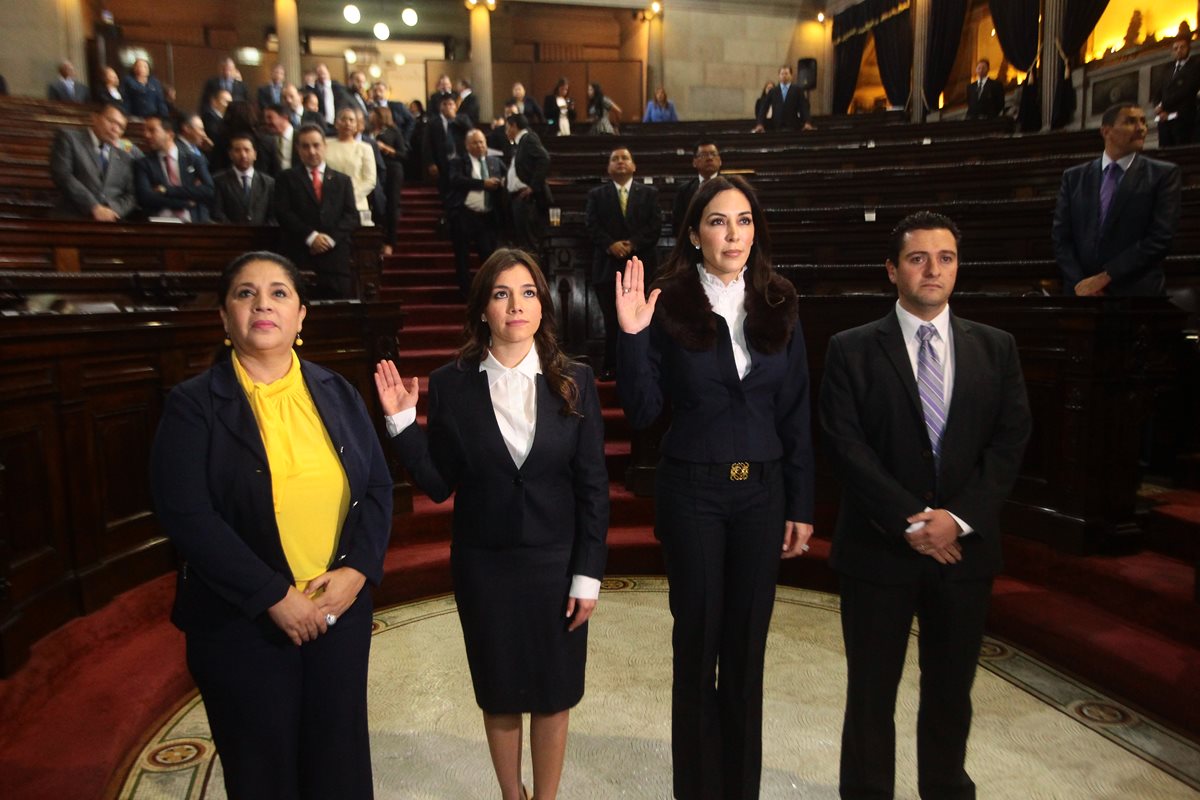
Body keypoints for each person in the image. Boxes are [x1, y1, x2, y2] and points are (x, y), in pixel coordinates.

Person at [150, 250, 392, 800]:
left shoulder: (338, 392)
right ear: (224, 317)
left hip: (338, 614)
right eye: (245, 293)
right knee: (265, 775)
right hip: (243, 625)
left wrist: (357, 571)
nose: (263, 303)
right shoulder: (193, 405)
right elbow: (187, 516)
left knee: (340, 767)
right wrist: (273, 596)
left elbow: (378, 488)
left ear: (301, 315)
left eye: (279, 293)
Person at [374, 248, 608, 800]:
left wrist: (588, 575)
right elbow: (438, 483)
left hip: (557, 562)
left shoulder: (575, 380)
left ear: (543, 305)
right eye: (501, 294)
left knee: (554, 692)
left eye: (527, 292)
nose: (516, 304)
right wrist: (402, 424)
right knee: (500, 691)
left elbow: (593, 487)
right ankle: (511, 794)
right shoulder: (452, 384)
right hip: (485, 566)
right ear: (483, 309)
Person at [616, 174, 815, 800]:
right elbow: (644, 410)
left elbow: (796, 409)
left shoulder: (780, 298)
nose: (735, 234)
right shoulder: (666, 298)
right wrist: (629, 336)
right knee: (697, 645)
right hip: (693, 492)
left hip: (763, 490)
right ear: (695, 232)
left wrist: (801, 503)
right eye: (720, 221)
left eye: (746, 221)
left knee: (748, 649)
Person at [819, 211, 1031, 800]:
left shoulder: (996, 348)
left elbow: (1010, 442)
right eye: (918, 258)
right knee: (870, 694)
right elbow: (845, 445)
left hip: (963, 553)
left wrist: (955, 521)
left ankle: (944, 789)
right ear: (892, 270)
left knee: (950, 692)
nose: (933, 269)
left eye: (945, 258)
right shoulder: (851, 349)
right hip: (878, 550)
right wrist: (911, 520)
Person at [1051, 102, 1181, 297]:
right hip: (1082, 296)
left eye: (1143, 122)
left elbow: (1160, 238)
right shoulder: (1074, 177)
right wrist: (1080, 282)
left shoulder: (1163, 175)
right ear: (1106, 131)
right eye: (1130, 122)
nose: (1141, 128)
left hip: (1136, 294)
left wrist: (1105, 277)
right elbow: (1061, 237)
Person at [586, 148, 662, 379]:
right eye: (615, 159)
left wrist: (632, 244)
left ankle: (645, 367)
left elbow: (655, 226)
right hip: (607, 269)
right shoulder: (596, 195)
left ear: (634, 165)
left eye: (625, 158)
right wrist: (611, 245)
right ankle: (612, 366)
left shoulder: (649, 193)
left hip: (642, 267)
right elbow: (591, 225)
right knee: (612, 321)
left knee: (644, 321)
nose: (620, 162)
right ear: (608, 168)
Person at [273, 124, 361, 299]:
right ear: (298, 149)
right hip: (301, 258)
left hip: (335, 263)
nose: (312, 151)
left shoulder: (342, 181)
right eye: (305, 146)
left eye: (316, 145)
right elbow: (284, 213)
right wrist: (312, 237)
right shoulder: (286, 178)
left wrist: (329, 239)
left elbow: (351, 216)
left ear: (325, 146)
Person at [50, 102, 137, 221]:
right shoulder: (69, 138)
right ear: (94, 118)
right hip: (72, 220)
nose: (115, 129)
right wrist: (94, 207)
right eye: (111, 121)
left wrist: (114, 210)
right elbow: (63, 176)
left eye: (121, 127)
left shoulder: (124, 154)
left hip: (111, 221)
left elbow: (132, 194)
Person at [448, 129, 506, 296]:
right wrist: (483, 184)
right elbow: (455, 180)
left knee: (489, 256)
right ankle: (466, 293)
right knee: (462, 257)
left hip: (487, 216)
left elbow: (506, 177)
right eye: (475, 142)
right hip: (465, 214)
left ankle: (488, 292)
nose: (480, 146)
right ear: (467, 146)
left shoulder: (494, 162)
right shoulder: (458, 162)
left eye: (482, 142)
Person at [135, 115, 215, 223]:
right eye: (144, 131)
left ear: (169, 134)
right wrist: (184, 203)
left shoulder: (194, 159)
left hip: (194, 222)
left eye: (152, 130)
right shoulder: (144, 163)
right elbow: (146, 197)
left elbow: (208, 190)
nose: (146, 135)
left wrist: (166, 190)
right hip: (159, 222)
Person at [505, 113, 552, 252]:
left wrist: (532, 186)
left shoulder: (528, 138)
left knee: (529, 243)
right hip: (518, 198)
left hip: (527, 199)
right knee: (523, 242)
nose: (506, 132)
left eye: (507, 128)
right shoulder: (521, 143)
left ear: (514, 126)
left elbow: (544, 159)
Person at [324, 107, 377, 225]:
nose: (347, 123)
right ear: (336, 123)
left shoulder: (365, 148)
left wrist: (349, 197)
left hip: (357, 202)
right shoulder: (325, 144)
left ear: (356, 125)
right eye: (343, 119)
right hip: (329, 202)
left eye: (351, 120)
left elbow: (370, 180)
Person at [368, 105, 408, 255]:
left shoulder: (393, 131)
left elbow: (403, 154)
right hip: (375, 169)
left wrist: (385, 148)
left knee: (391, 204)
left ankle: (390, 241)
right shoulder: (369, 132)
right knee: (377, 205)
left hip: (392, 169)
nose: (370, 116)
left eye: (373, 114)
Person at [212, 134, 275, 224]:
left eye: (247, 150)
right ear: (230, 154)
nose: (243, 155)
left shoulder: (268, 183)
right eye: (237, 150)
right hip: (230, 235)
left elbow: (273, 216)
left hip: (262, 235)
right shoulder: (219, 180)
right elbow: (217, 213)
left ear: (255, 154)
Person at [423, 95, 473, 203]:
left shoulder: (463, 119)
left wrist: (454, 118)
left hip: (461, 160)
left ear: (455, 106)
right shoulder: (433, 122)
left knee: (462, 189)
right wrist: (431, 163)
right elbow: (427, 145)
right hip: (442, 161)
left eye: (450, 104)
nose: (447, 107)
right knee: (445, 191)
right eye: (444, 104)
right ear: (440, 107)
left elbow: (471, 132)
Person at [1152, 34, 1200, 147]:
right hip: (1164, 121)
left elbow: (1186, 90)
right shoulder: (1167, 69)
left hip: (1184, 119)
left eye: (1182, 47)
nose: (1179, 50)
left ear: (1188, 48)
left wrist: (1163, 106)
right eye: (1175, 48)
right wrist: (1157, 107)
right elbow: (1158, 91)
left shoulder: (1195, 67)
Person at [672, 140, 721, 237]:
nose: (709, 158)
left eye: (713, 154)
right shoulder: (684, 190)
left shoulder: (731, 187)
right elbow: (678, 224)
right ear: (694, 162)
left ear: (720, 160)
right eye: (703, 155)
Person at [753, 65, 812, 132]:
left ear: (791, 76)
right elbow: (764, 107)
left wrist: (807, 122)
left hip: (793, 126)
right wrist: (760, 123)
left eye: (786, 73)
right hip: (776, 127)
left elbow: (804, 107)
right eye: (782, 74)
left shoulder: (797, 90)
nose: (784, 76)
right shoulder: (773, 91)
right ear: (779, 76)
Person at [263, 103, 300, 175]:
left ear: (284, 118)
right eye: (265, 118)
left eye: (270, 118)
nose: (266, 122)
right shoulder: (266, 141)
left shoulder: (301, 138)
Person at [313, 63, 349, 128]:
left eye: (324, 73)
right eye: (319, 74)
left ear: (328, 73)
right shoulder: (314, 90)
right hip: (323, 124)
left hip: (338, 123)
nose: (322, 76)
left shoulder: (339, 88)